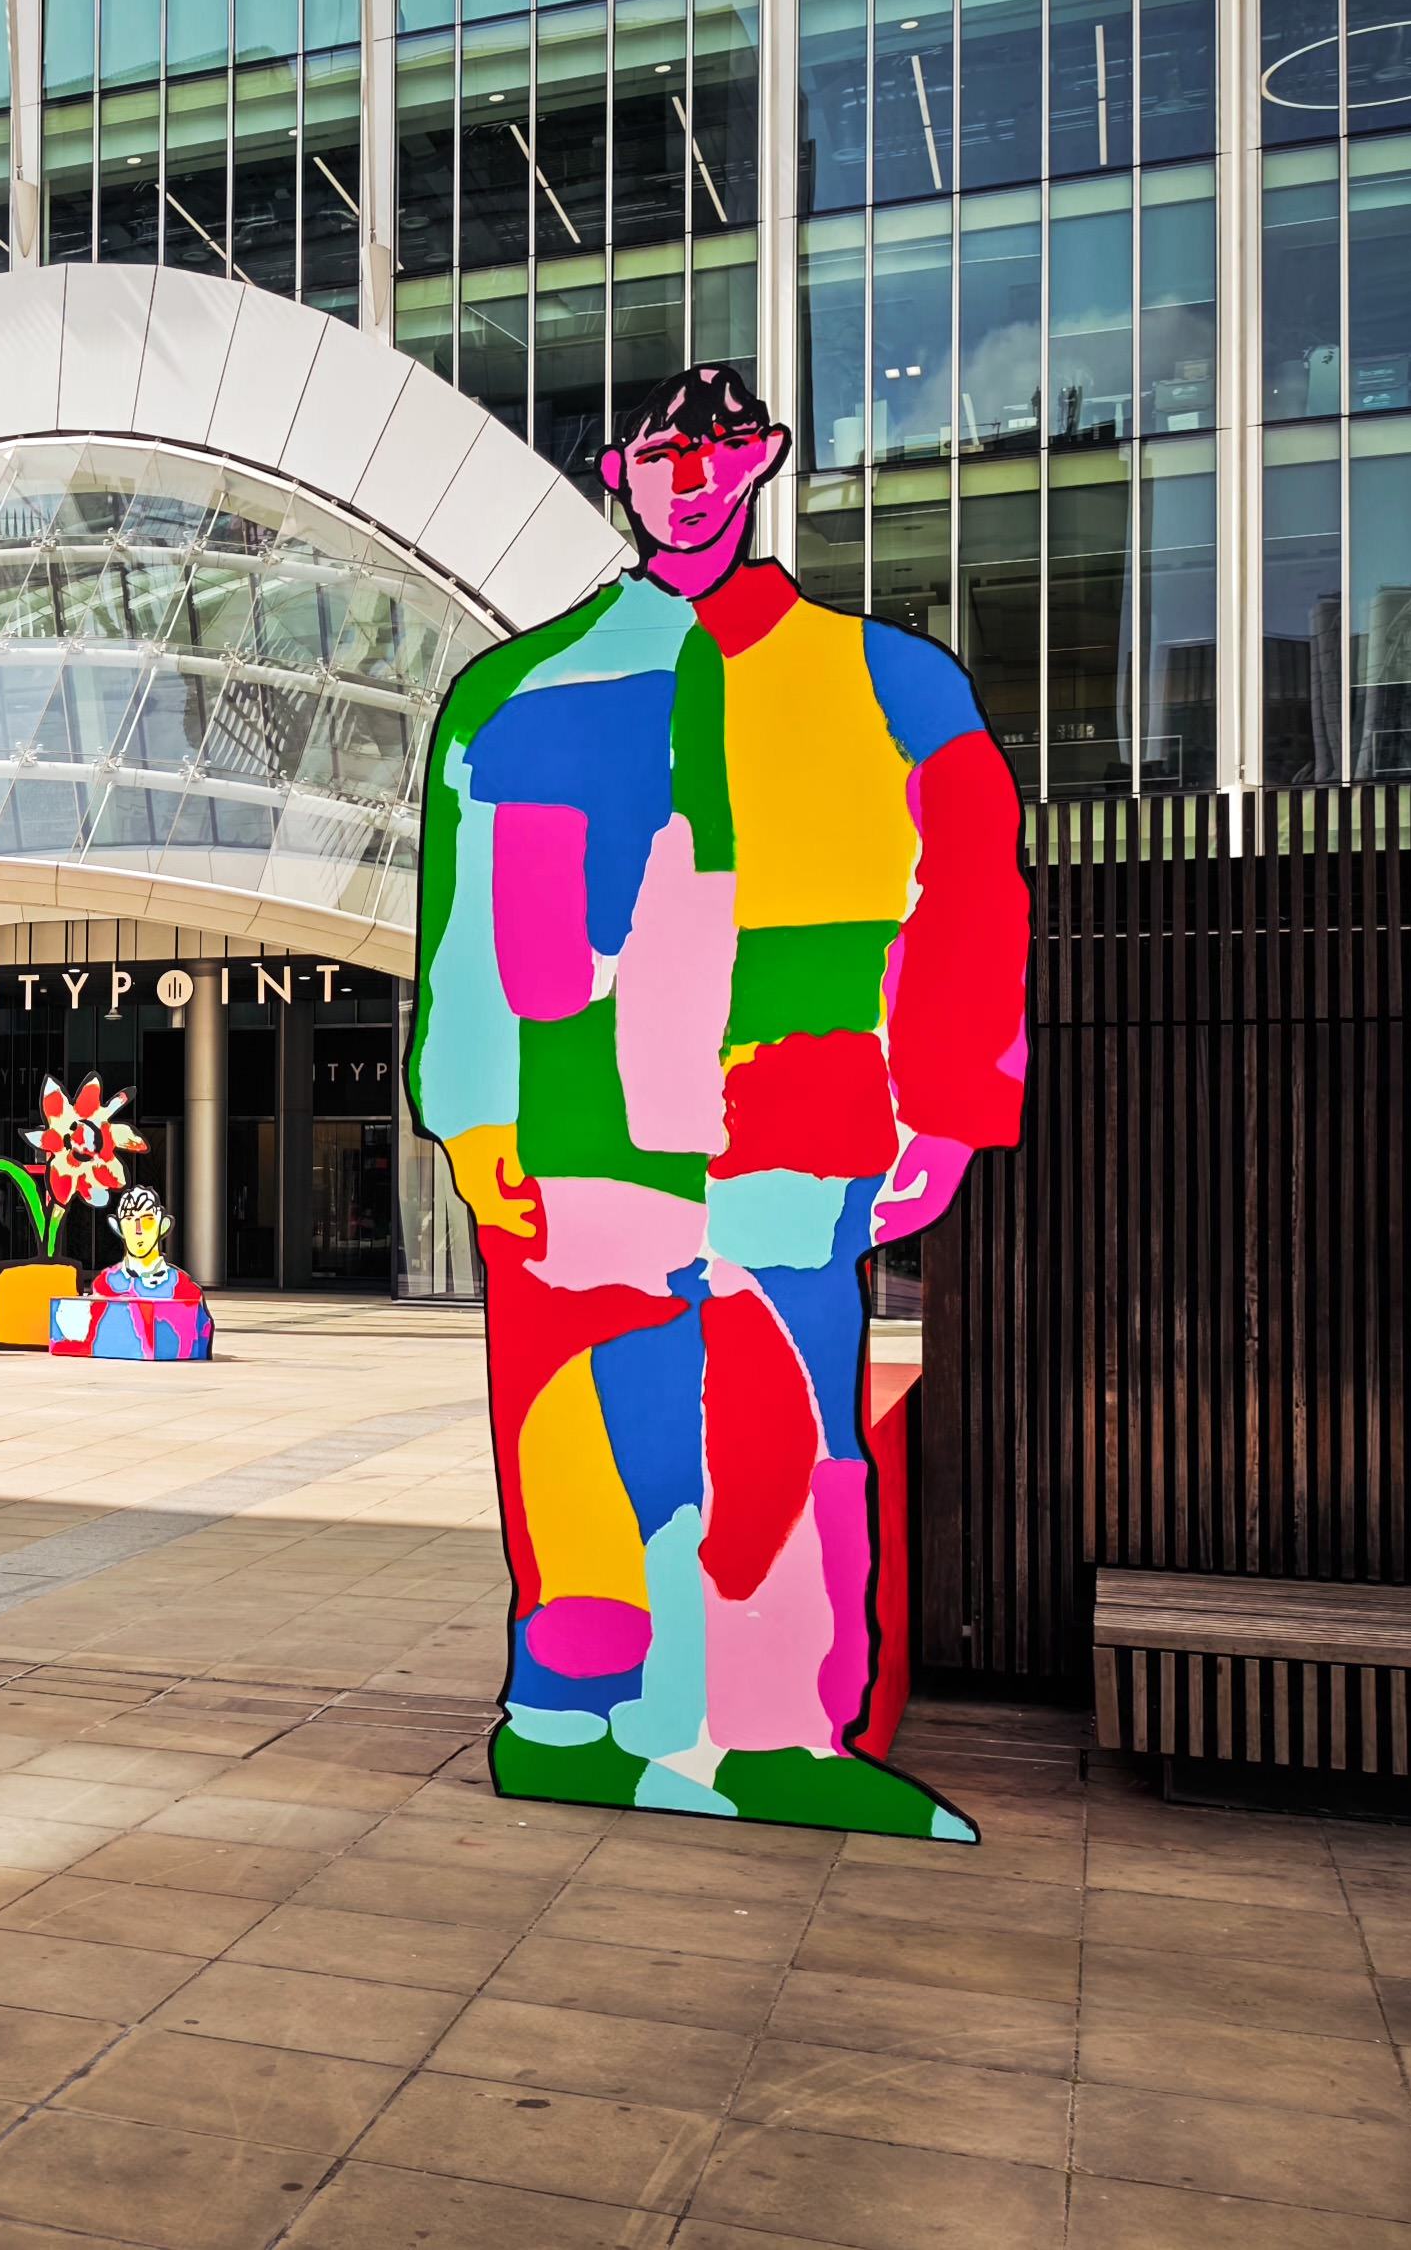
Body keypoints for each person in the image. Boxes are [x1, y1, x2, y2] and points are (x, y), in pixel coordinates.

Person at [409, 363, 1029, 1843]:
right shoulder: (512, 693)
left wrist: (948, 1104)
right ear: (618, 476)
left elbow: (967, 894)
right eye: (658, 454)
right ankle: (574, 1713)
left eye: (717, 448)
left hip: (791, 1128)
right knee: (576, 1433)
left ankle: (775, 1730)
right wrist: (476, 1119)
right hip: (573, 1138)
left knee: (783, 1428)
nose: (687, 479)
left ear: (762, 461)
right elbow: (462, 932)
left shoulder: (889, 684)